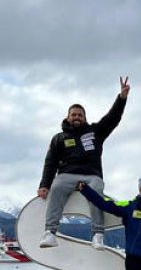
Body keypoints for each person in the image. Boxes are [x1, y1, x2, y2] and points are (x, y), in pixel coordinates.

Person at [38, 77, 130, 249]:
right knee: (56, 187)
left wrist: (122, 98)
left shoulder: (95, 132)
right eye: (73, 114)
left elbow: (112, 118)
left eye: (80, 115)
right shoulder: (59, 138)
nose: (77, 117)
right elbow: (50, 162)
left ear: (85, 118)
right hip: (66, 175)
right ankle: (50, 232)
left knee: (97, 190)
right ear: (68, 117)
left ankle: (98, 234)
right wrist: (44, 185)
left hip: (91, 176)